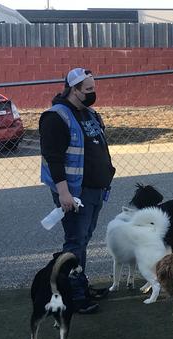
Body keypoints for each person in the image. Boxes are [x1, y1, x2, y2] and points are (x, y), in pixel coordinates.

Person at [40, 68, 116, 313]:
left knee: (83, 241)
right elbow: (53, 158)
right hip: (74, 193)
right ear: (74, 90)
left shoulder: (90, 113)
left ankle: (79, 283)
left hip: (94, 190)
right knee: (75, 242)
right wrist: (63, 193)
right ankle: (73, 293)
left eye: (94, 88)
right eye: (88, 90)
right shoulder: (56, 117)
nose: (93, 93)